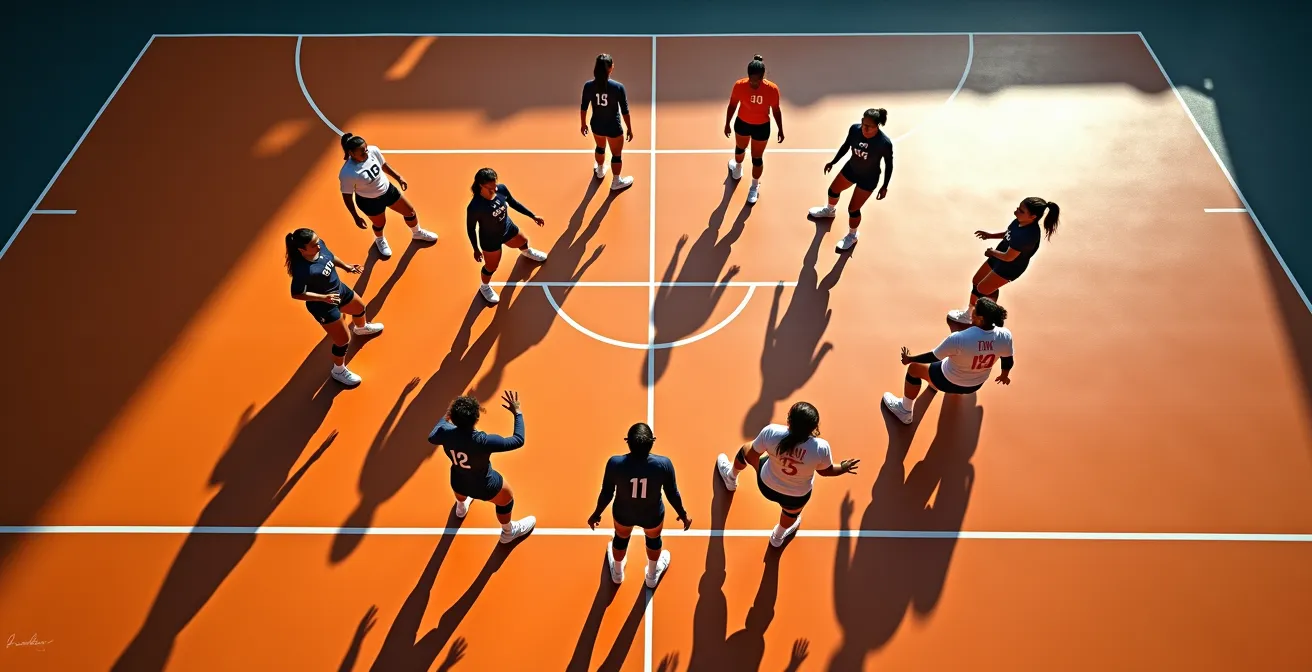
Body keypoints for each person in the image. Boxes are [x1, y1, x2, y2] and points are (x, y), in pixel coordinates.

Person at [715, 402, 858, 547]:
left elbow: (752, 455)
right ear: (814, 427)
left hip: (766, 485)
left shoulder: (771, 432)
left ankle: (730, 478)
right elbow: (825, 471)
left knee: (746, 449)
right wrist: (843, 468)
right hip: (796, 497)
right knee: (791, 514)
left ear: (789, 420)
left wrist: (759, 467)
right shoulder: (821, 448)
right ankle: (777, 538)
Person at [587, 423, 692, 588]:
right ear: (652, 441)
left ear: (627, 441)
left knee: (620, 540)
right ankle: (652, 576)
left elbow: (607, 493)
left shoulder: (615, 463)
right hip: (652, 515)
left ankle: (617, 573)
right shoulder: (664, 464)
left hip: (623, 514)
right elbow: (672, 493)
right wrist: (683, 515)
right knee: (654, 541)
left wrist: (596, 514)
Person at [427, 390, 537, 544]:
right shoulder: (483, 441)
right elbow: (518, 440)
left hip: (458, 481)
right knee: (506, 499)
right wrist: (517, 412)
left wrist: (448, 415)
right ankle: (508, 532)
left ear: (453, 417)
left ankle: (461, 508)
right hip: (485, 486)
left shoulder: (444, 433)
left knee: (460, 489)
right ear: (476, 418)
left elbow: (432, 436)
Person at [883, 297, 1014, 424]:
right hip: (975, 385)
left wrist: (910, 359)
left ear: (981, 319)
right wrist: (1004, 375)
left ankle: (904, 410)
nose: (972, 310)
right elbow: (1008, 360)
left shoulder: (959, 338)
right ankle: (933, 382)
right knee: (949, 359)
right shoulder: (1004, 336)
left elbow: (934, 356)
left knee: (914, 368)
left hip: (946, 381)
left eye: (975, 309)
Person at [284, 228, 382, 386]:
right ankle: (338, 371)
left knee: (359, 308)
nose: (319, 246)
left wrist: (346, 267)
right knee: (343, 340)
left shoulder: (319, 246)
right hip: (323, 307)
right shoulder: (302, 270)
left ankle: (361, 328)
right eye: (314, 245)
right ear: (302, 250)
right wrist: (324, 298)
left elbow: (330, 257)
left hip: (339, 290)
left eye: (318, 241)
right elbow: (297, 294)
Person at [948, 197, 1061, 325]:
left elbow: (1009, 257)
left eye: (1021, 211)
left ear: (1033, 217)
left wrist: (991, 252)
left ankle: (984, 317)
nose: (1016, 211)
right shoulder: (1019, 221)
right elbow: (1009, 233)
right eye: (1018, 207)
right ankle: (970, 312)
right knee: (977, 281)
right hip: (999, 256)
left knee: (983, 289)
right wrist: (990, 235)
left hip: (1009, 267)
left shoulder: (1028, 236)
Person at [337, 132, 438, 258]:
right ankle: (379, 240)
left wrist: (398, 177)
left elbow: (383, 165)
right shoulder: (347, 173)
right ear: (352, 153)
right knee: (380, 224)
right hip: (370, 201)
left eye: (366, 149)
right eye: (362, 153)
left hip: (388, 190)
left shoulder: (373, 151)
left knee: (410, 212)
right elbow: (347, 197)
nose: (366, 153)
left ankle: (417, 233)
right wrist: (355, 217)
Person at [807, 108, 894, 252]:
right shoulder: (855, 130)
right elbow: (846, 146)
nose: (865, 128)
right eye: (863, 124)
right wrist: (833, 162)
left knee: (853, 209)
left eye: (869, 126)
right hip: (851, 169)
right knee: (833, 191)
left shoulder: (884, 143)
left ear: (877, 126)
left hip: (868, 178)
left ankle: (852, 235)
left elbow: (889, 165)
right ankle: (829, 211)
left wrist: (885, 186)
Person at [465, 168, 549, 305]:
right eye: (490, 188)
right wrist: (476, 249)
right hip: (490, 239)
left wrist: (533, 216)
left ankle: (527, 253)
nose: (494, 189)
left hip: (507, 228)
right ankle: (484, 287)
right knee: (491, 267)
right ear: (481, 185)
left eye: (495, 185)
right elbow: (471, 228)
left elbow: (513, 203)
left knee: (523, 241)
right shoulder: (475, 207)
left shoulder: (501, 189)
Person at [724, 54, 784, 205]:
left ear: (763, 77)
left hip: (761, 127)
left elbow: (776, 110)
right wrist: (727, 123)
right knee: (740, 149)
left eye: (757, 81)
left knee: (757, 158)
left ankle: (754, 186)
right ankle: (737, 168)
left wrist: (780, 129)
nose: (754, 84)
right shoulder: (739, 85)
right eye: (751, 80)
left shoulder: (772, 89)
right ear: (748, 76)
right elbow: (732, 105)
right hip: (742, 123)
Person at [580, 53, 635, 191]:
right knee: (616, 155)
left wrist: (583, 124)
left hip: (596, 125)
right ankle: (616, 181)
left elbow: (583, 107)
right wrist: (629, 128)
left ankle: (600, 170)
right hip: (613, 127)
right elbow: (625, 111)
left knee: (600, 147)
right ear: (610, 68)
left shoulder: (588, 86)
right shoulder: (618, 87)